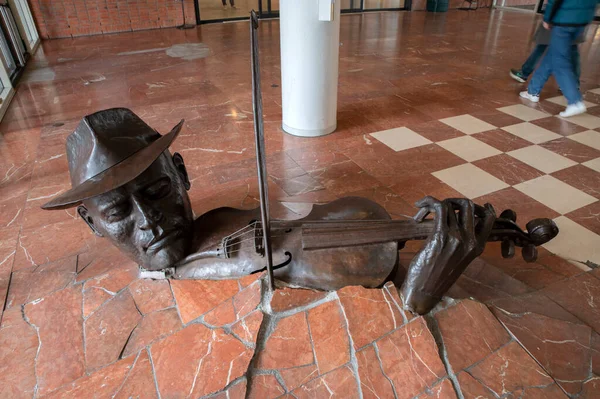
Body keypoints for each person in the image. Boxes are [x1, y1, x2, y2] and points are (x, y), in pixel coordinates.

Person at [41, 108, 499, 315]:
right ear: (90, 222)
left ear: (180, 173)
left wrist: (416, 297)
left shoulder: (220, 220)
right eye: (118, 209)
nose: (150, 219)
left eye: (158, 189)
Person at [519, 0, 599, 118]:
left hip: (564, 20)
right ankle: (533, 91)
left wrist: (547, 18)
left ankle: (574, 101)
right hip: (582, 21)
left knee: (559, 61)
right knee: (553, 54)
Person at [509, 23, 582, 87]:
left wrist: (548, 17)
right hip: (577, 19)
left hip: (560, 18)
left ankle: (524, 73)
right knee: (572, 48)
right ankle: (573, 83)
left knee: (543, 44)